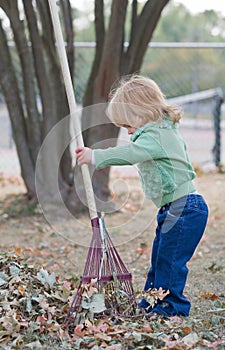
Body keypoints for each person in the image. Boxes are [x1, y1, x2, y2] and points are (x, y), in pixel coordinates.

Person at [75, 75, 208, 317]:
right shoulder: (159, 130)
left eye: (127, 125)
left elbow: (131, 153)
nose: (127, 131)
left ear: (141, 111)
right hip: (173, 208)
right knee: (159, 259)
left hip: (185, 208)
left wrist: (95, 157)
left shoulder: (156, 135)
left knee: (170, 263)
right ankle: (151, 302)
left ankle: (172, 307)